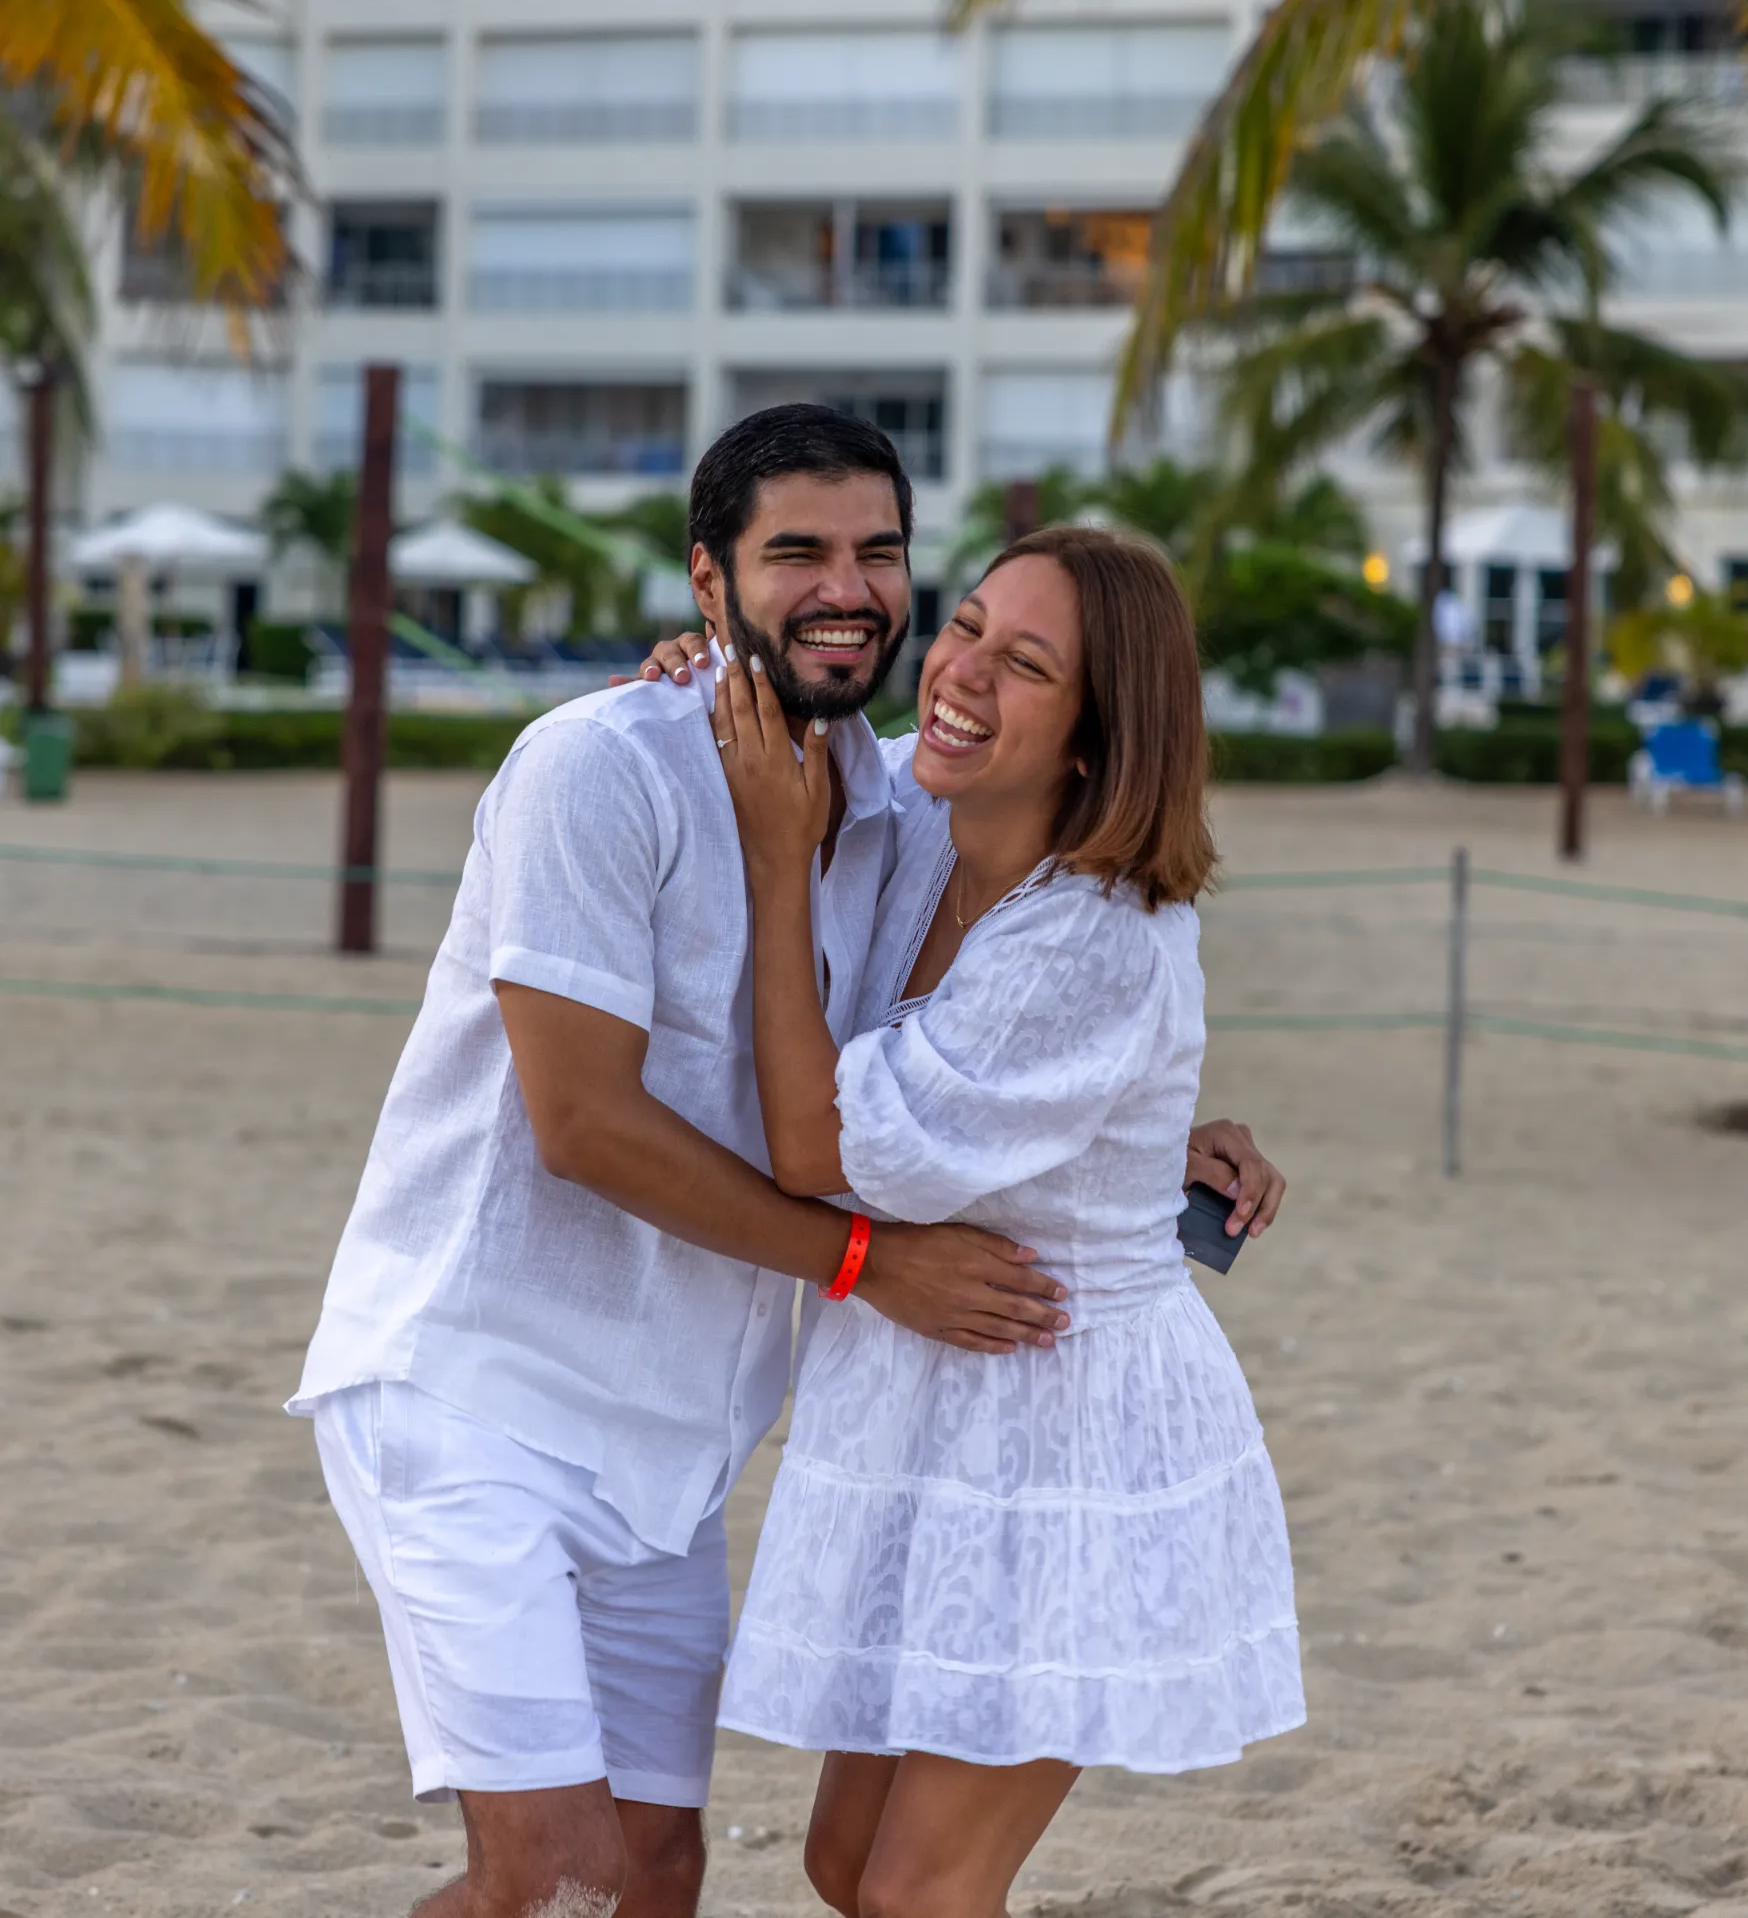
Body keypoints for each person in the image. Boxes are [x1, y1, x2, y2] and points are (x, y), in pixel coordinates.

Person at [289, 404, 1284, 1918]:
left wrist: (1149, 1129)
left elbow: (1015, 1013)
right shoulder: (610, 769)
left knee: (667, 1872)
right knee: (566, 1879)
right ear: (709, 581)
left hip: (707, 1435)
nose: (854, 592)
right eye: (796, 553)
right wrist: (870, 1261)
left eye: (880, 553)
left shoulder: (897, 810)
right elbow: (584, 1124)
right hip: (478, 1386)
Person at [699, 525, 1305, 1918]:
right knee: (846, 1865)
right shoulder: (932, 820)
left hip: (1064, 1421)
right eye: (966, 625)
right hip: (925, 1408)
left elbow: (818, 1149)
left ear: (1097, 738)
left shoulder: (1088, 930)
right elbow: (777, 728)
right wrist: (704, 659)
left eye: (1025, 664)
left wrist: (781, 873)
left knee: (919, 1890)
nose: (961, 672)